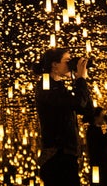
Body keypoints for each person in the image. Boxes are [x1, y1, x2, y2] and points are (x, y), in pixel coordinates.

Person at [33, 47, 92, 186]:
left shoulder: (60, 87)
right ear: (54, 64)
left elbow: (86, 109)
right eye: (67, 61)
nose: (70, 64)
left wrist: (81, 79)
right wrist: (81, 80)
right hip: (57, 156)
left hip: (66, 155)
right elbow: (78, 102)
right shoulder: (46, 86)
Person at [85, 107, 107, 186]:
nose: (104, 118)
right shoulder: (93, 130)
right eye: (102, 115)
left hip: (103, 167)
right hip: (99, 167)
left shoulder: (100, 129)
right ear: (96, 117)